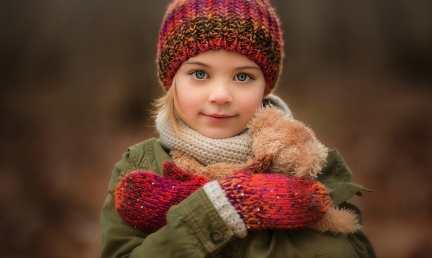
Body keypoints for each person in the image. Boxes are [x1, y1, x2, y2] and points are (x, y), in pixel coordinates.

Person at [100, 0, 376, 257]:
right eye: (199, 74)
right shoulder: (140, 166)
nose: (220, 95)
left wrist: (259, 211)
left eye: (242, 76)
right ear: (172, 81)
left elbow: (352, 248)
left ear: (264, 87)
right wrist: (221, 208)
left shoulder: (305, 163)